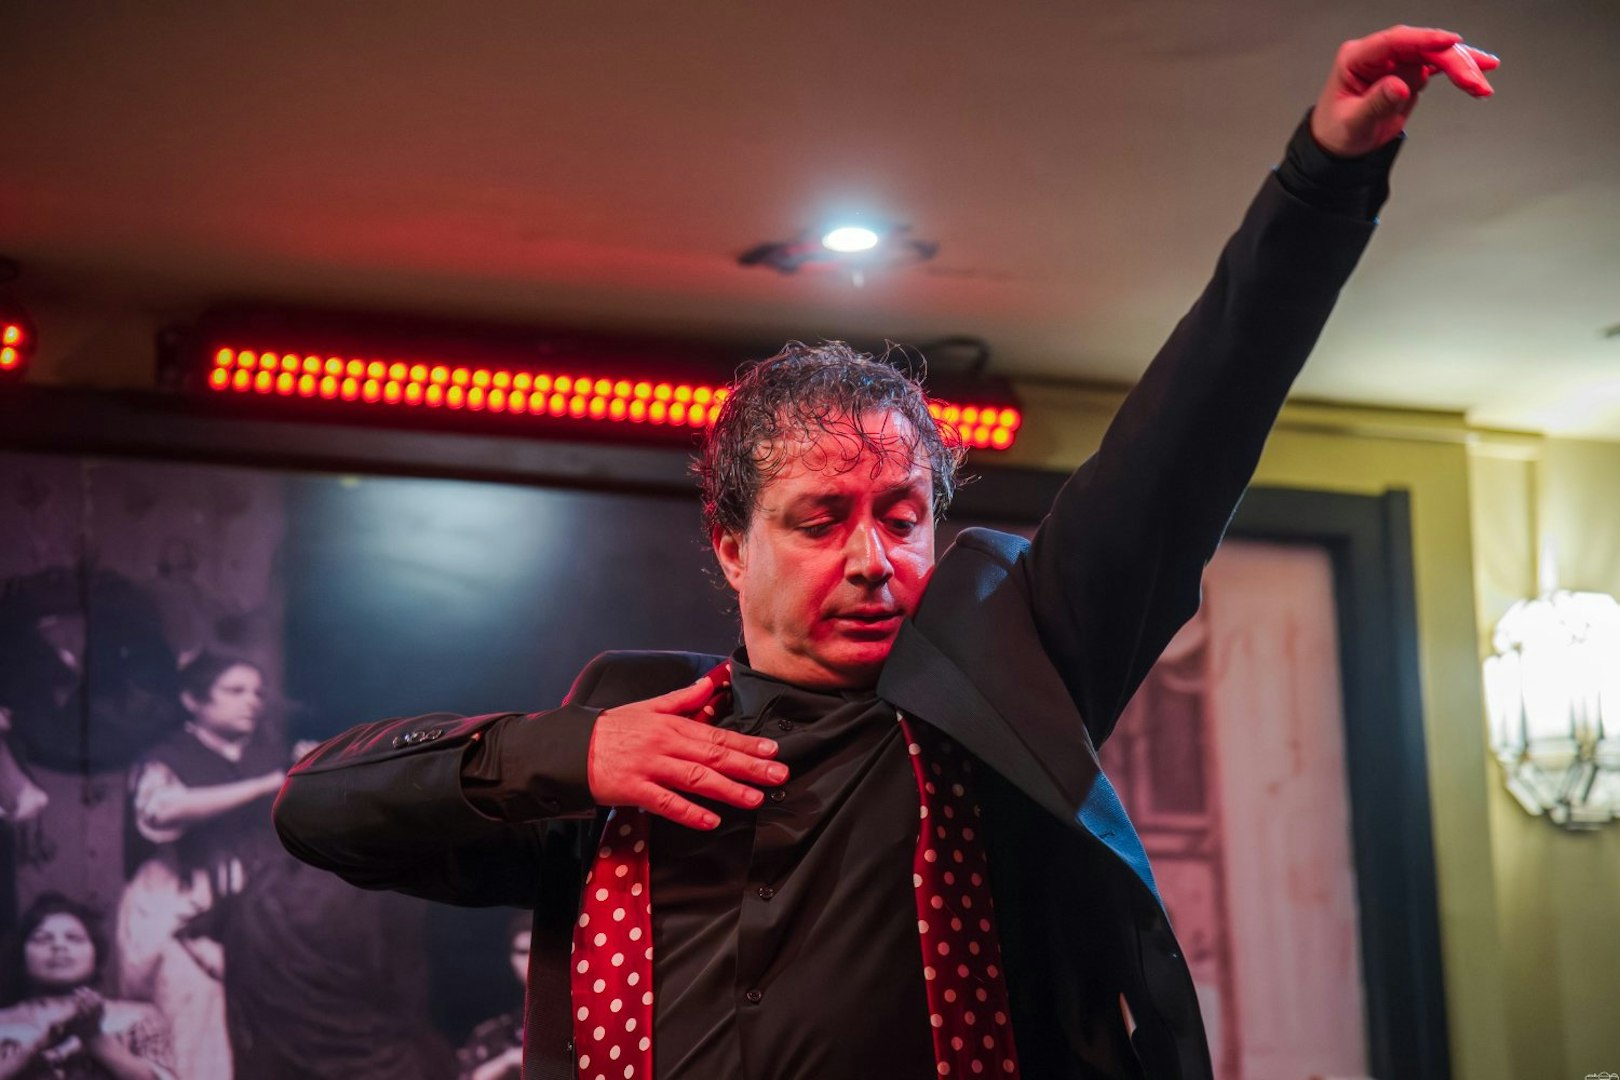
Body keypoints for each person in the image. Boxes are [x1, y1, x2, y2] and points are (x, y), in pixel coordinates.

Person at [274, 25, 1497, 1080]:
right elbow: (319, 808)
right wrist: (573, 753)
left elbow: (1199, 421)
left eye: (902, 515)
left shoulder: (1013, 675)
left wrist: (1324, 177)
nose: (875, 559)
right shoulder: (619, 756)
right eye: (821, 520)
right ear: (731, 548)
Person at [116, 653, 290, 1080]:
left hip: (259, 906)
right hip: (181, 904)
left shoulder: (272, 754)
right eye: (235, 691)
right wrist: (269, 784)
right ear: (193, 700)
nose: (251, 701)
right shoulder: (166, 756)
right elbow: (161, 812)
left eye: (257, 693)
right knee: (193, 1032)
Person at [0, 893, 176, 1080]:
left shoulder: (139, 1019)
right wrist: (33, 1049)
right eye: (42, 939)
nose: (59, 946)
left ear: (96, 954)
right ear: (21, 955)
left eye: (74, 938)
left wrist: (94, 1038)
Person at [454, 914, 532, 1080]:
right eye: (523, 952)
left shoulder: (584, 1023)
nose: (532, 961)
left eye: (539, 952)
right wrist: (507, 1062)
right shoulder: (491, 1035)